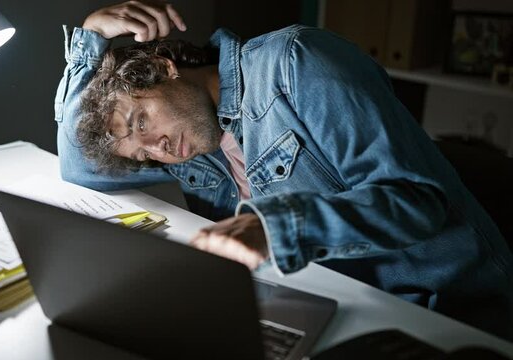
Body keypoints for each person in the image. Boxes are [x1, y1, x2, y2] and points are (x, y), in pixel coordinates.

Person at [54, 1, 513, 339]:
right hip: (338, 311)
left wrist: (272, 229)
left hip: (447, 316)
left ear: (163, 67)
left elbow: (416, 202)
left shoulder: (297, 63)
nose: (159, 150)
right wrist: (92, 34)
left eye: (142, 121)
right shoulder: (197, 142)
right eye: (144, 155)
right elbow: (78, 165)